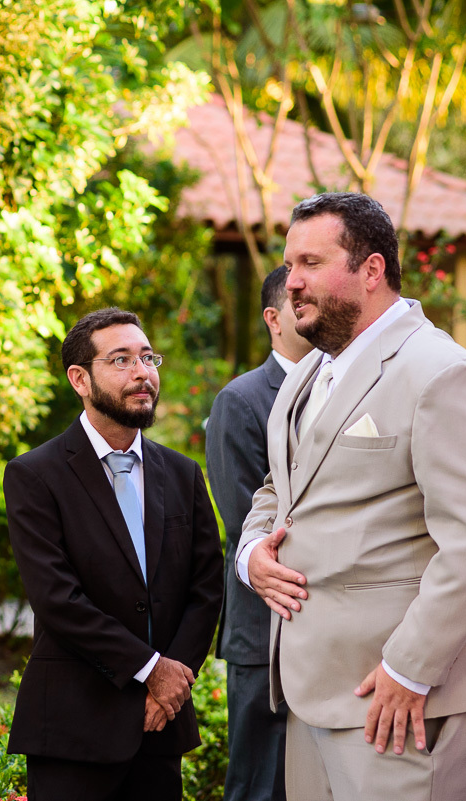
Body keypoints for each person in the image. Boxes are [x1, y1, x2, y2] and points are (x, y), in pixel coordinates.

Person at [237, 192, 466, 801]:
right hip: (313, 688)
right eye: (289, 265)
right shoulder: (315, 371)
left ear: (371, 270)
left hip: (399, 698)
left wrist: (408, 669)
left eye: (310, 264)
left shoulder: (442, 373)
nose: (290, 283)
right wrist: (251, 556)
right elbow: (279, 486)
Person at [4, 307, 224, 801]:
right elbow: (57, 599)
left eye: (148, 358)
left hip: (160, 727)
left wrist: (174, 684)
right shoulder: (35, 476)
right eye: (121, 360)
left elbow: (207, 587)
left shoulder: (182, 473)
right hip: (74, 730)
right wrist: (151, 670)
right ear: (80, 379)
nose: (143, 373)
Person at [206, 264, 314, 801]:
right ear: (273, 318)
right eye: (296, 302)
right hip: (262, 627)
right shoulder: (241, 400)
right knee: (259, 784)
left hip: (325, 630)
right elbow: (243, 515)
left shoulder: (343, 389)